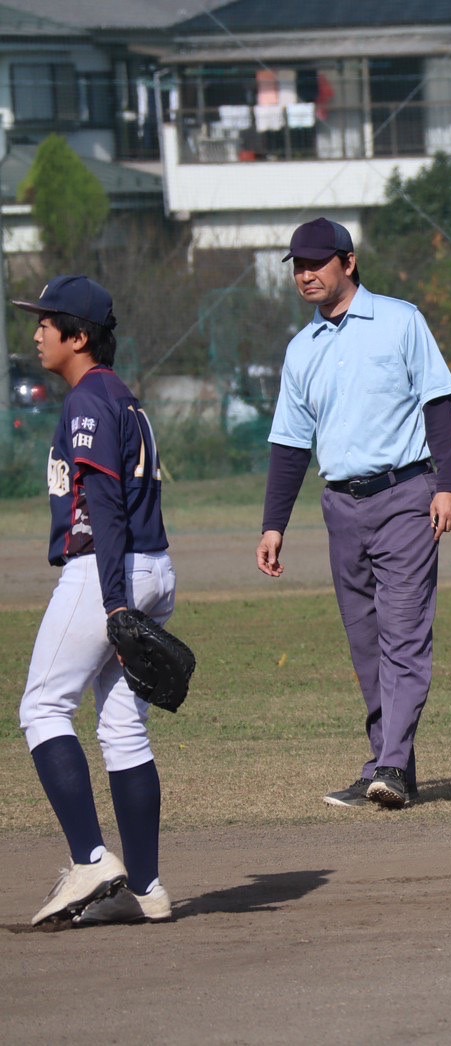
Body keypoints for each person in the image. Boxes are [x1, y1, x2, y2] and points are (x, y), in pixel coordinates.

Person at [257, 217, 451, 810]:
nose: (305, 274)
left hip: (405, 497)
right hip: (340, 507)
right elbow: (291, 444)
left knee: (403, 633)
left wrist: (447, 486)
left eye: (316, 262)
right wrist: (275, 525)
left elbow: (437, 402)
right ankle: (388, 761)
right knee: (366, 643)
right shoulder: (302, 350)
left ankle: (392, 763)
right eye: (297, 265)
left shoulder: (401, 320)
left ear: (348, 262)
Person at [15, 275, 178, 925]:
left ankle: (90, 859)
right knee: (119, 725)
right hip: (154, 564)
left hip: (106, 571)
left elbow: (105, 505)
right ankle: (148, 889)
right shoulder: (123, 398)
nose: (36, 333)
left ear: (79, 337)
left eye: (48, 322)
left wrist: (113, 603)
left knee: (43, 706)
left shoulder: (88, 403)